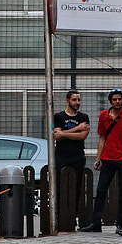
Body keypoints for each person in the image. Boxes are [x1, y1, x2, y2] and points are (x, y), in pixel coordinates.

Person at [83, 90, 122, 233]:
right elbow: (102, 137)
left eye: (119, 99)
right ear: (110, 101)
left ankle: (120, 223)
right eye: (114, 99)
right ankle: (96, 222)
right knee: (100, 190)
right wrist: (98, 158)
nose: (117, 102)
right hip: (108, 157)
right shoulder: (103, 116)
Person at [52, 90, 90, 227]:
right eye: (74, 100)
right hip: (62, 155)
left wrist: (65, 133)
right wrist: (77, 129)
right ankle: (59, 218)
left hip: (77, 156)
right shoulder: (58, 117)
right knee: (60, 187)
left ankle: (74, 217)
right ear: (68, 101)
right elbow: (56, 135)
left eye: (79, 100)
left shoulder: (84, 117)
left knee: (77, 187)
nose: (77, 103)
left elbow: (83, 136)